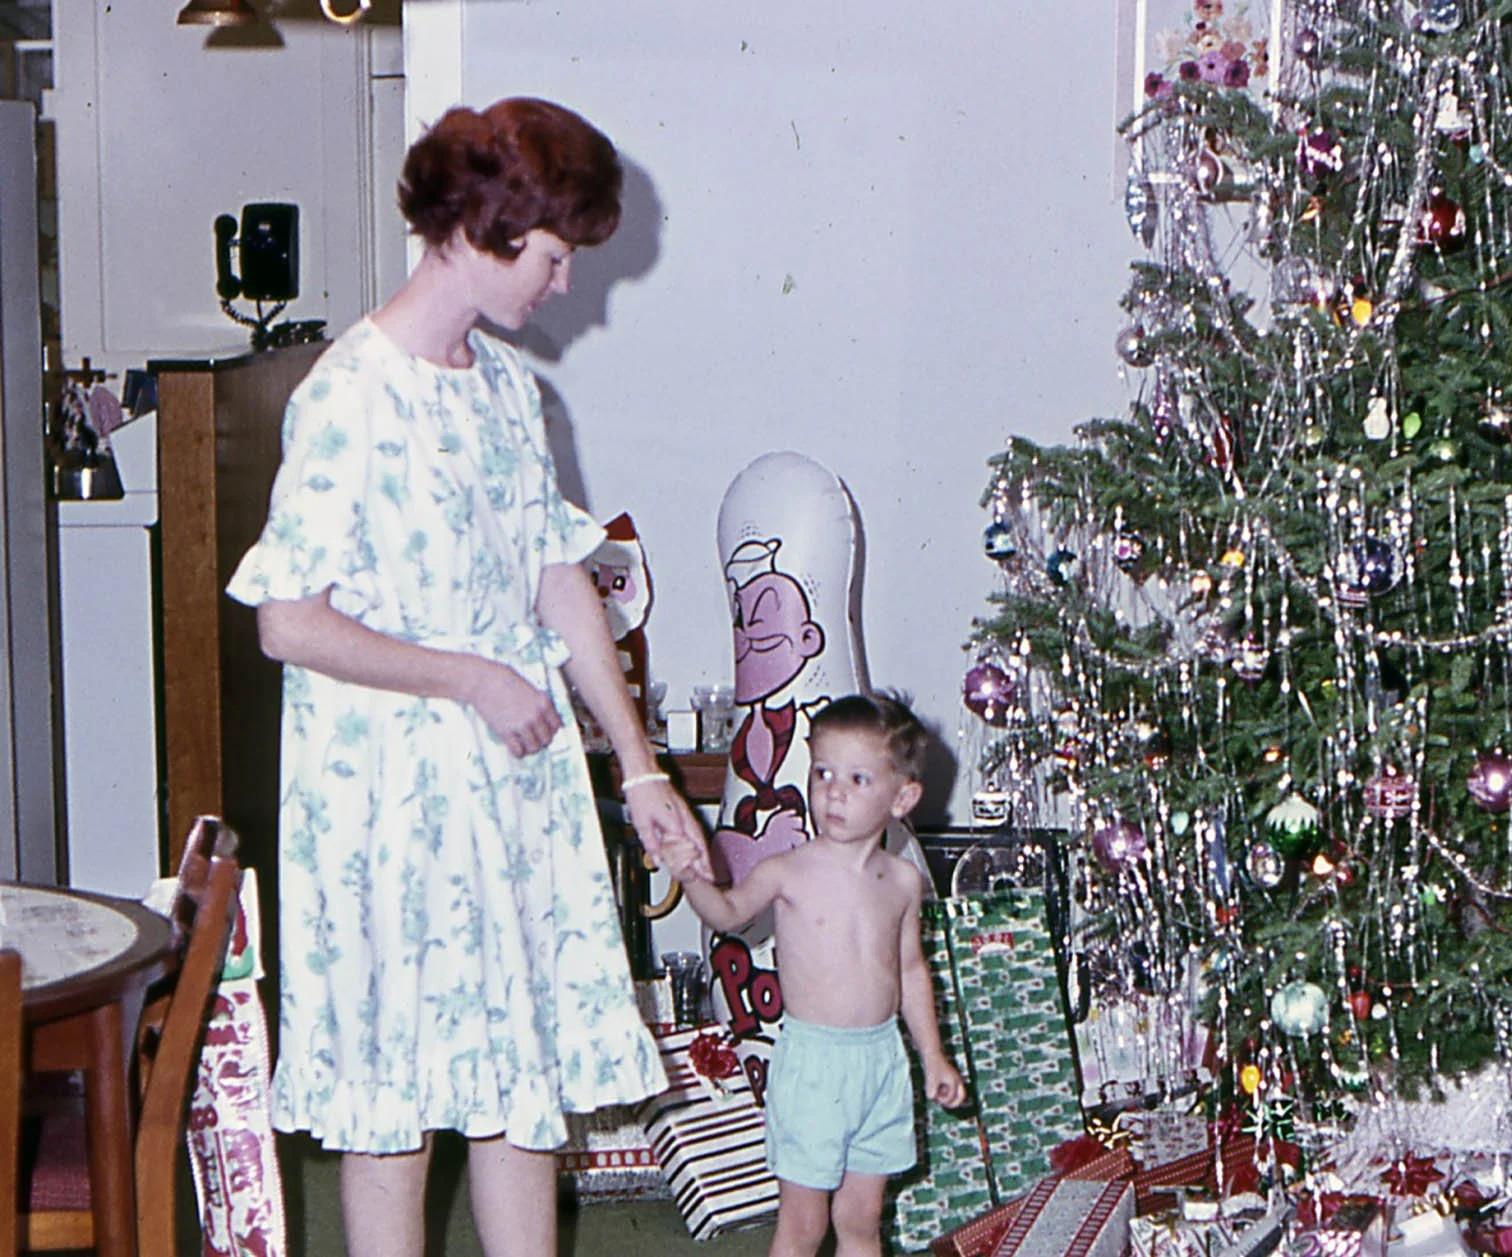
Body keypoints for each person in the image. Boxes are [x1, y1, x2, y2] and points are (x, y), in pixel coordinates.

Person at [225, 97, 711, 1257]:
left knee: (515, 1078)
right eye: (551, 258)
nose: (560, 286)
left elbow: (559, 580)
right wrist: (467, 678)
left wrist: (641, 773)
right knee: (394, 1108)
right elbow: (287, 621)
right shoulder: (347, 396)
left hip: (514, 783)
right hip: (387, 796)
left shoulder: (505, 392)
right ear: (486, 230)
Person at [670, 692, 968, 1257]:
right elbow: (728, 915)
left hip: (880, 1061)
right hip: (813, 1064)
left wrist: (932, 1055)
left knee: (861, 1219)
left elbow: (910, 970)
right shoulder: (788, 870)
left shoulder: (903, 882)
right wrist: (693, 879)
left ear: (902, 797)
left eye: (857, 779)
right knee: (804, 1224)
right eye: (823, 772)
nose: (833, 791)